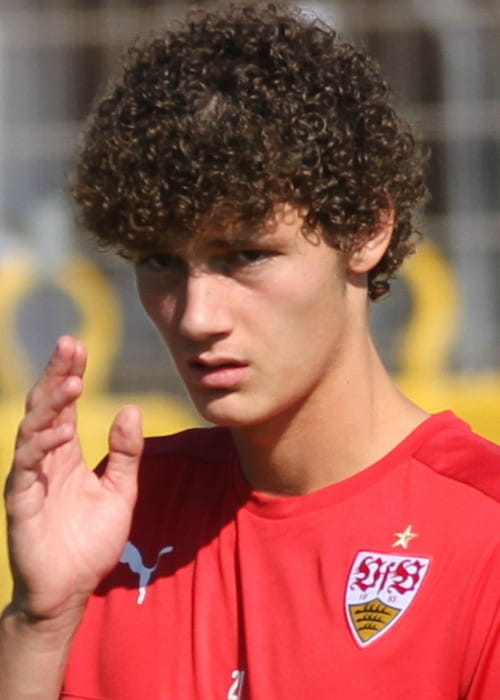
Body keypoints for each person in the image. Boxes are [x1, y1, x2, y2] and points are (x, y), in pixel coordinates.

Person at [1, 3, 499, 698]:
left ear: (366, 229)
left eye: (246, 256)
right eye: (160, 262)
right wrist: (41, 620)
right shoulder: (115, 524)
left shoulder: (483, 536)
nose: (197, 316)